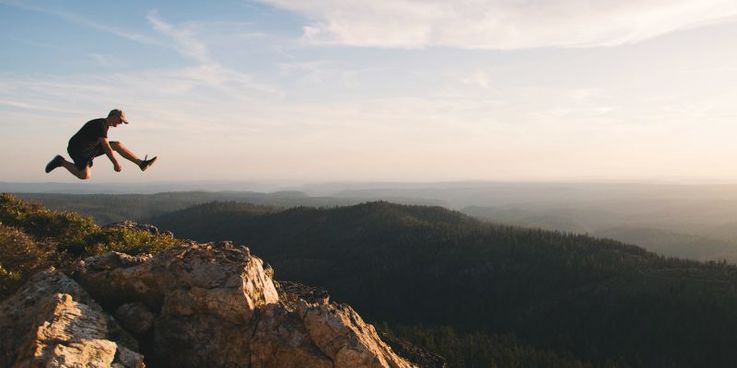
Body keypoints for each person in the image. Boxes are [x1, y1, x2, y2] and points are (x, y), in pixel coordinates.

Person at [45, 109, 157, 180]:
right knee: (85, 175)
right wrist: (115, 163)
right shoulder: (101, 125)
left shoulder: (104, 126)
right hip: (78, 149)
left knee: (117, 144)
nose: (120, 123)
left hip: (90, 148)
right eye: (120, 120)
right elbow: (106, 147)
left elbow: (107, 145)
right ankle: (61, 161)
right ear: (113, 116)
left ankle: (141, 163)